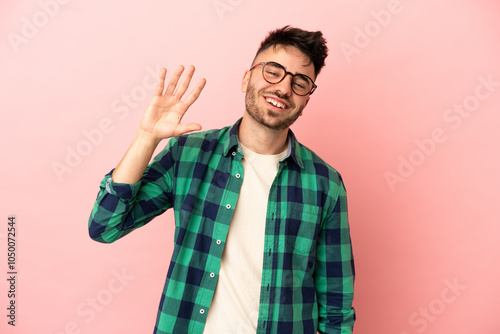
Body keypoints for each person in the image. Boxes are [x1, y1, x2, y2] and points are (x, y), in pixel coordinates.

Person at [88, 26, 355, 334]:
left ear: (307, 99)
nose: (283, 88)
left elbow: (336, 304)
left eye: (300, 82)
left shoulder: (325, 183)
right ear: (246, 78)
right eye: (273, 72)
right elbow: (105, 227)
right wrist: (146, 138)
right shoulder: (189, 154)